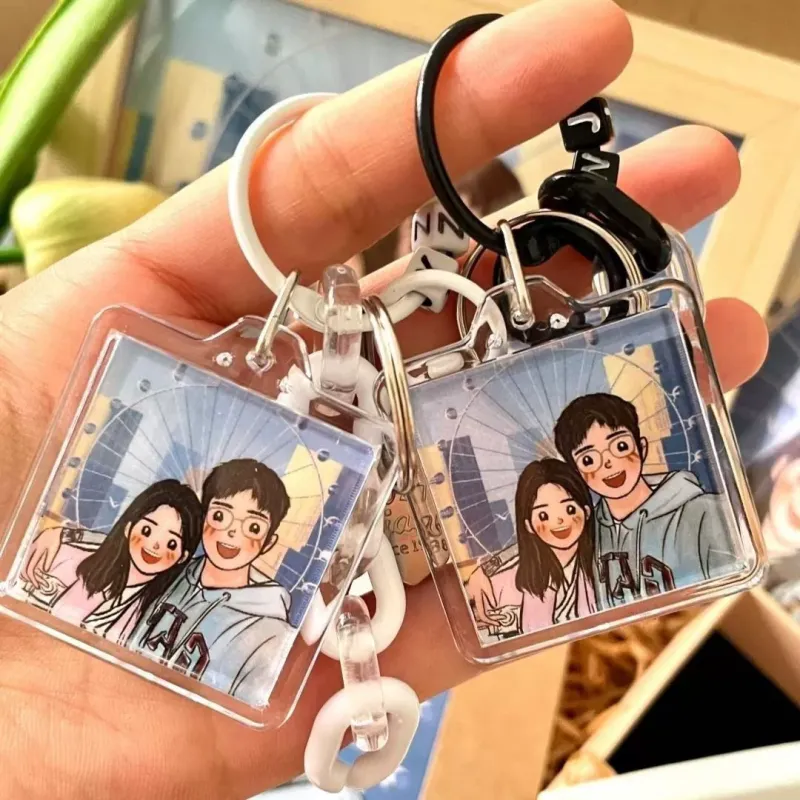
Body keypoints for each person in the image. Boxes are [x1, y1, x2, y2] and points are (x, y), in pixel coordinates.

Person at [0, 2, 768, 795]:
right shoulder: (84, 563)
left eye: (252, 526)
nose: (222, 537)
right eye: (217, 522)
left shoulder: (686, 514)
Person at [129, 458, 293, 704]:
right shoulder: (169, 572)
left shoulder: (271, 634)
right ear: (204, 517)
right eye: (220, 515)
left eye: (253, 527)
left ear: (269, 542)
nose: (232, 532)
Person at [553, 392, 735, 606]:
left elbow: (728, 599)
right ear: (576, 474)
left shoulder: (705, 513)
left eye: (620, 446)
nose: (608, 463)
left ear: (642, 447)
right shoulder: (588, 539)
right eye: (588, 459)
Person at [18, 480, 202, 646]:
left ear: (183, 557)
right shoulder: (64, 556)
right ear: (129, 528)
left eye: (171, 543)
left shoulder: (149, 613)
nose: (155, 545)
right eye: (147, 530)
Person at [484, 459, 595, 636]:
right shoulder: (502, 584)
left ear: (587, 511)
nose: (559, 520)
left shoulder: (602, 564)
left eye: (569, 509)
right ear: (529, 525)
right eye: (544, 515)